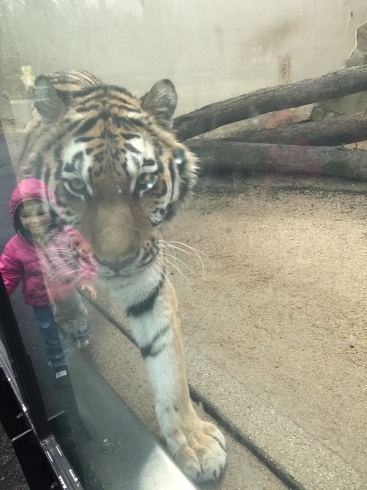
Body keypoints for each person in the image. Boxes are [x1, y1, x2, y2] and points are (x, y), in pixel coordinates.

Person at [0, 178, 98, 387]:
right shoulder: (15, 246)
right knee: (50, 333)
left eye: (40, 212)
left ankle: (83, 335)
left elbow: (85, 256)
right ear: (17, 219)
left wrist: (86, 278)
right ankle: (59, 363)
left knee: (78, 316)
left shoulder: (67, 235)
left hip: (69, 293)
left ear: (52, 211)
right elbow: (7, 274)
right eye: (26, 215)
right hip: (41, 302)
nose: (33, 220)